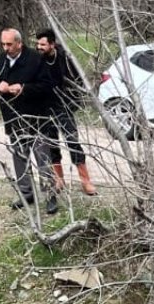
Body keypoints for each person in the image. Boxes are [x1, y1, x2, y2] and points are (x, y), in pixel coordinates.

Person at [0, 28, 58, 214]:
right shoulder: (1, 59)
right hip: (13, 117)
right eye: (3, 44)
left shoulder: (35, 59)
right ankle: (26, 193)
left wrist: (23, 88)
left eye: (9, 44)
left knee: (42, 158)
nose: (6, 48)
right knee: (20, 157)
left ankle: (50, 195)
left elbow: (47, 86)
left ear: (19, 43)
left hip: (36, 117)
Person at [35, 28, 96, 196]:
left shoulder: (64, 58)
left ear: (52, 44)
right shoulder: (36, 60)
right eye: (37, 43)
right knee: (51, 142)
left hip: (64, 105)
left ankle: (86, 181)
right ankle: (58, 180)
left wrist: (75, 100)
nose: (39, 47)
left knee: (73, 141)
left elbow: (78, 80)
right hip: (45, 107)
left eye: (43, 44)